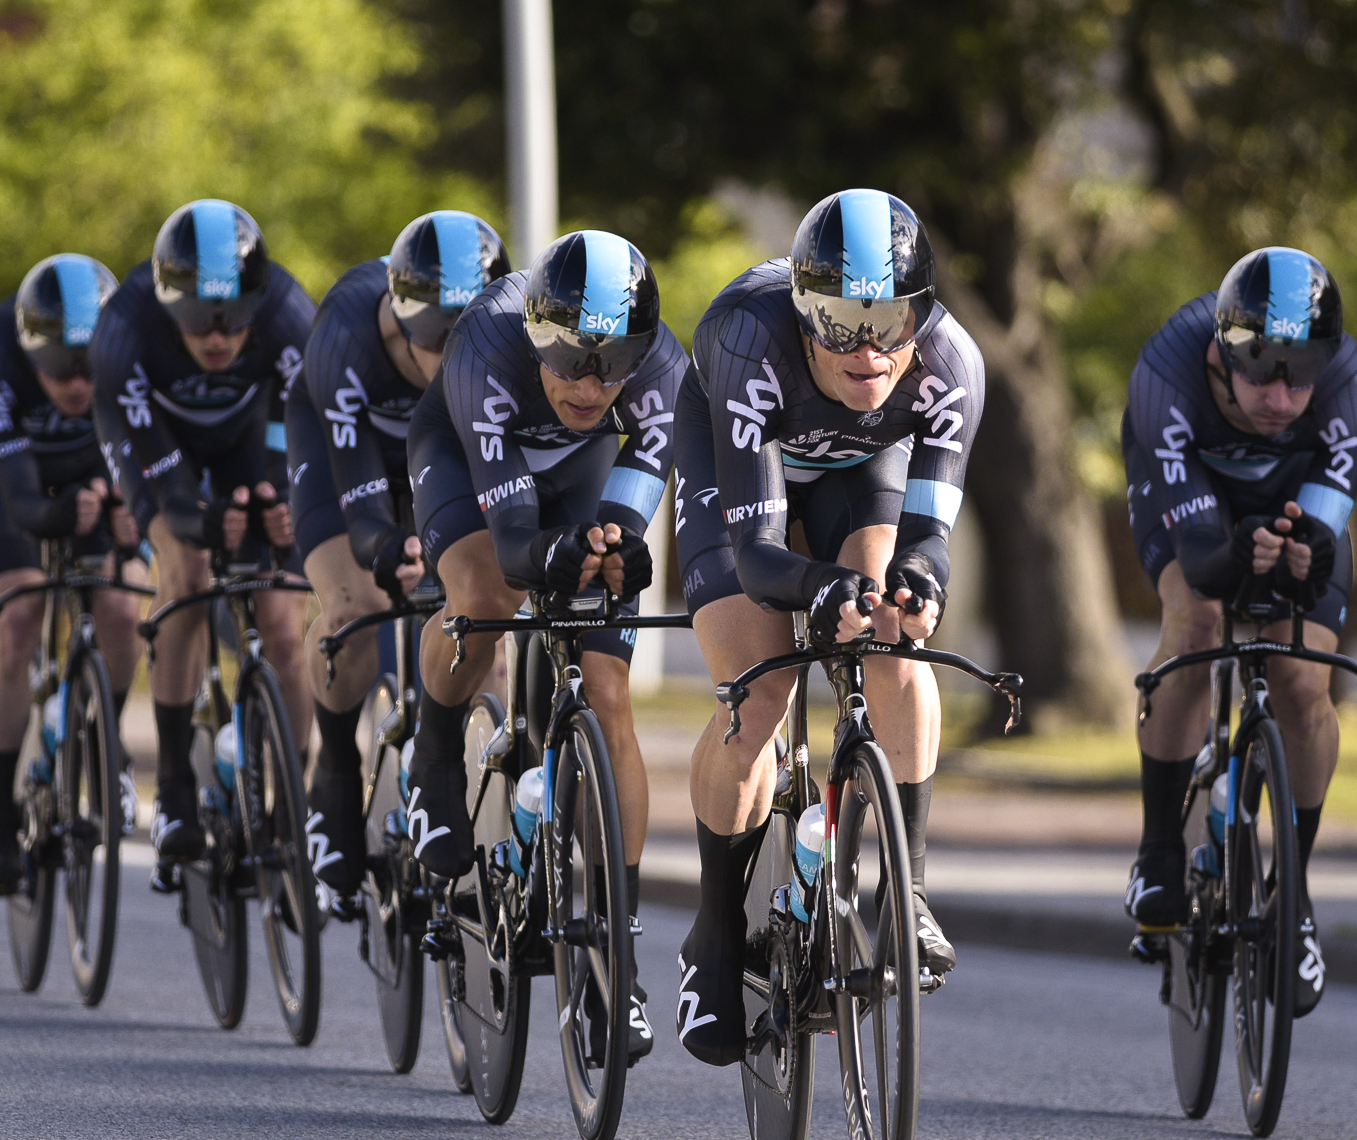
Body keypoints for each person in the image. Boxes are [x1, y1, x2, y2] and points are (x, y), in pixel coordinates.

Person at [670, 188, 985, 1066]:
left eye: (889, 322)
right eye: (840, 325)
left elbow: (929, 538)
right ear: (803, 313)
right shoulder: (747, 338)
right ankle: (716, 928)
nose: (868, 349)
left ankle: (909, 892)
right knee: (762, 693)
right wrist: (817, 585)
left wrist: (918, 581)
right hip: (741, 470)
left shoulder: (953, 365)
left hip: (858, 470)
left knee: (892, 634)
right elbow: (762, 553)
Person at [406, 229, 688, 1062]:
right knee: (490, 596)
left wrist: (617, 549)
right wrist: (555, 555)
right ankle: (432, 753)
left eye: (612, 365)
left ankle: (618, 951)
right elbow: (519, 534)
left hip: (578, 474)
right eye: (568, 360)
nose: (590, 384)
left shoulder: (664, 373)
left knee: (608, 689)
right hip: (468, 463)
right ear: (537, 336)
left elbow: (628, 522)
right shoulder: (487, 346)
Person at [1122, 247, 1357, 1017]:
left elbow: (1323, 530)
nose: (1279, 395)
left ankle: (1292, 894)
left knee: (1302, 679)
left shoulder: (1356, 390)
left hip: (1290, 502)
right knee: (1199, 619)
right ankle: (1158, 850)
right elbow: (1203, 561)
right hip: (1190, 497)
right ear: (1220, 351)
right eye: (1261, 371)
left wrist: (1309, 557)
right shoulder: (1166, 373)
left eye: (1300, 375)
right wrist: (1228, 556)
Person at [286, 210, 509, 908]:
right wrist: (386, 546)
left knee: (484, 615)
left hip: (444, 454)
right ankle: (334, 769)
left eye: (465, 336)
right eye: (433, 340)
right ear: (399, 318)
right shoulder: (346, 335)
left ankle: (478, 801)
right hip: (348, 458)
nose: (449, 356)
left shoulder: (504, 333)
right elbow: (361, 504)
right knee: (356, 603)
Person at [91, 199, 315, 889]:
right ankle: (177, 793)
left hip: (254, 441)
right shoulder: (125, 327)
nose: (216, 339)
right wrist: (190, 513)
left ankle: (293, 797)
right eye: (196, 321)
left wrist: (276, 499)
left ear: (259, 300)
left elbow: (299, 423)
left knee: (282, 621)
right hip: (164, 449)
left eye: (234, 319)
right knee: (184, 573)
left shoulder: (287, 316)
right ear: (167, 302)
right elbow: (147, 464)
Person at [0, 253, 148, 895]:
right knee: (18, 616)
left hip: (90, 471)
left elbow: (145, 458)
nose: (75, 382)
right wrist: (61, 513)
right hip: (14, 480)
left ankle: (104, 742)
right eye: (58, 367)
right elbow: (20, 502)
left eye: (86, 365)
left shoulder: (127, 350)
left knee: (123, 608)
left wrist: (133, 518)